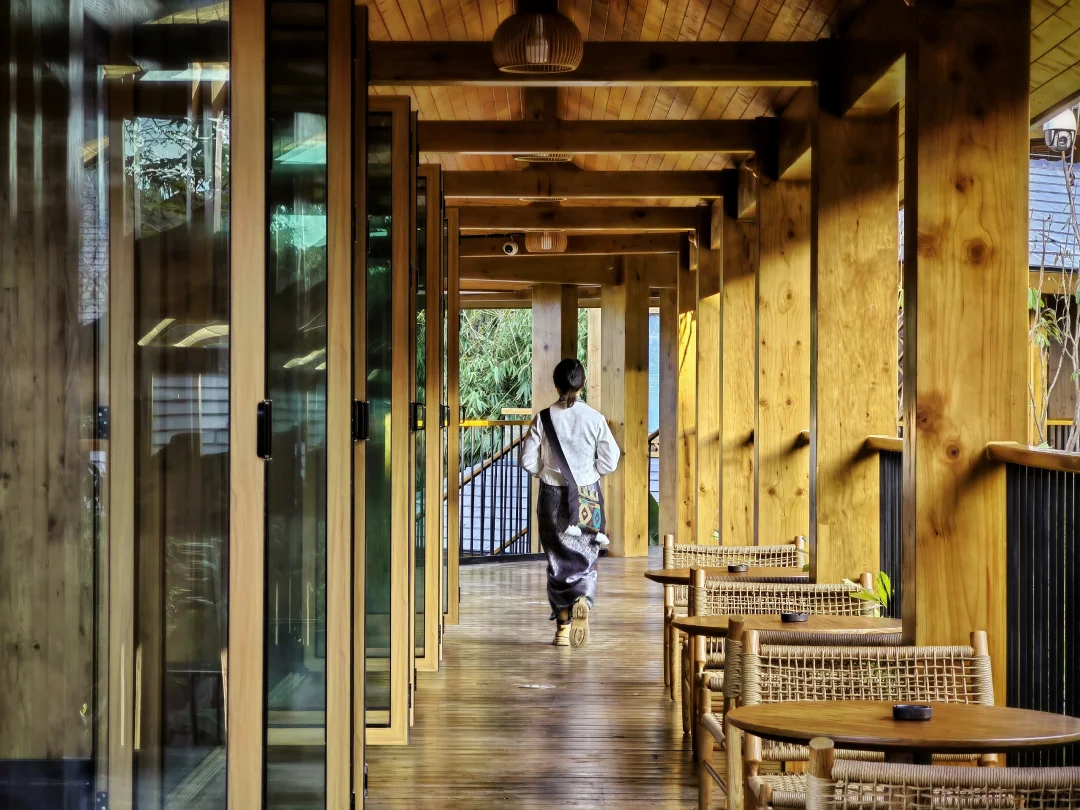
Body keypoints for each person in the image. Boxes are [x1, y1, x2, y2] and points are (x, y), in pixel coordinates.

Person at [519, 358, 621, 648]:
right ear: (583, 384)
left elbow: (527, 460)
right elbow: (610, 460)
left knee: (557, 560)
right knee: (585, 555)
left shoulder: (543, 418)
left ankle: (562, 629)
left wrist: (546, 472)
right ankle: (582, 599)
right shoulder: (595, 418)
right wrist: (589, 474)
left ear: (556, 385)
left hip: (552, 495)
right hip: (587, 496)